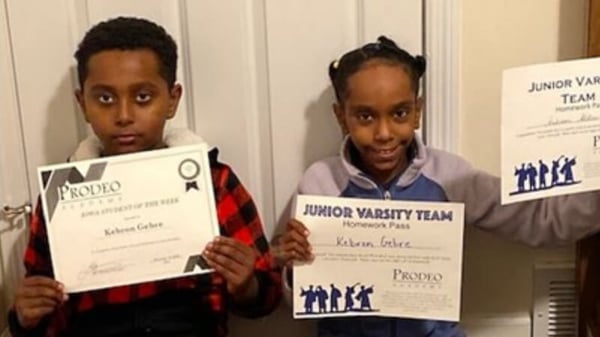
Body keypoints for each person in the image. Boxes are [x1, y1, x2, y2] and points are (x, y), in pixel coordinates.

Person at [274, 35, 600, 337]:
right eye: (365, 117)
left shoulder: (450, 176)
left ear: (417, 112)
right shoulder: (319, 184)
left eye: (399, 113)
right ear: (341, 117)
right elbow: (297, 297)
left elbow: (539, 220)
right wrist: (292, 266)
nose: (384, 133)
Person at [8, 17, 280, 337]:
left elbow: (266, 298)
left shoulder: (214, 183)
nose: (123, 116)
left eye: (142, 98)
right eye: (105, 98)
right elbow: (41, 312)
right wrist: (24, 316)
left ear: (172, 100)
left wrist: (246, 283)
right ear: (83, 104)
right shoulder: (60, 196)